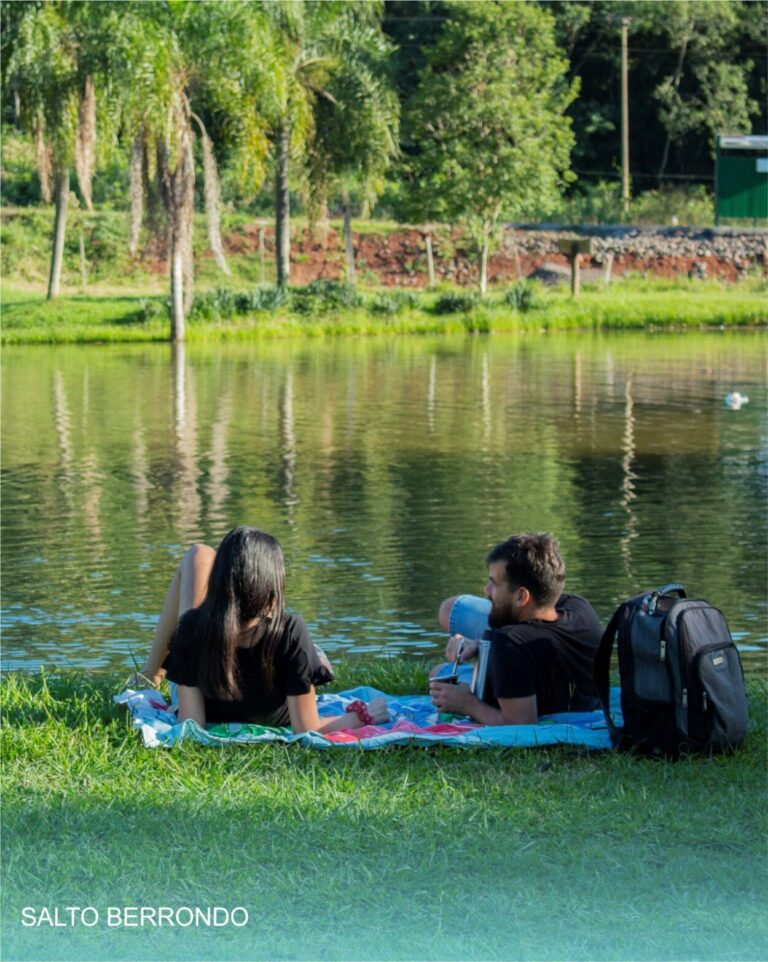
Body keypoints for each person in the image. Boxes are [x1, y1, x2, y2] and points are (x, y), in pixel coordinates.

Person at [129, 527, 387, 734]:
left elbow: (191, 725)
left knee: (198, 554)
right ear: (272, 590)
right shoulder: (290, 631)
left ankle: (151, 675)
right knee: (312, 657)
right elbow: (308, 727)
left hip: (207, 665)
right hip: (273, 670)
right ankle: (317, 660)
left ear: (218, 583)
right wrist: (362, 716)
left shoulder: (191, 628)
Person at [429, 533, 602, 725]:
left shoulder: (510, 643)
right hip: (551, 676)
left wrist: (466, 704)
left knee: (439, 675)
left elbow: (521, 723)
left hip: (523, 684)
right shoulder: (579, 607)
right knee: (451, 610)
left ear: (521, 597)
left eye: (493, 584)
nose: (486, 590)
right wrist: (478, 645)